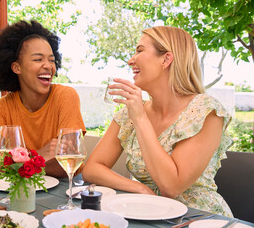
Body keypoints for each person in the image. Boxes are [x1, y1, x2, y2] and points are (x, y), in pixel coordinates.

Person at [82, 26, 233, 217]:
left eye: (139, 50)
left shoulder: (206, 111)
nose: (130, 60)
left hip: (197, 218)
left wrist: (140, 118)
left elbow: (172, 186)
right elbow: (92, 169)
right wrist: (140, 189)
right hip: (146, 213)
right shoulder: (129, 113)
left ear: (166, 59)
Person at [0, 20, 86, 178]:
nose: (48, 66)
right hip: (20, 192)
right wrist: (35, 156)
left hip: (63, 192)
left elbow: (67, 165)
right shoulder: (3, 106)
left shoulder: (65, 96)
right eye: (38, 59)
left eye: (51, 59)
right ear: (16, 68)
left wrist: (16, 165)